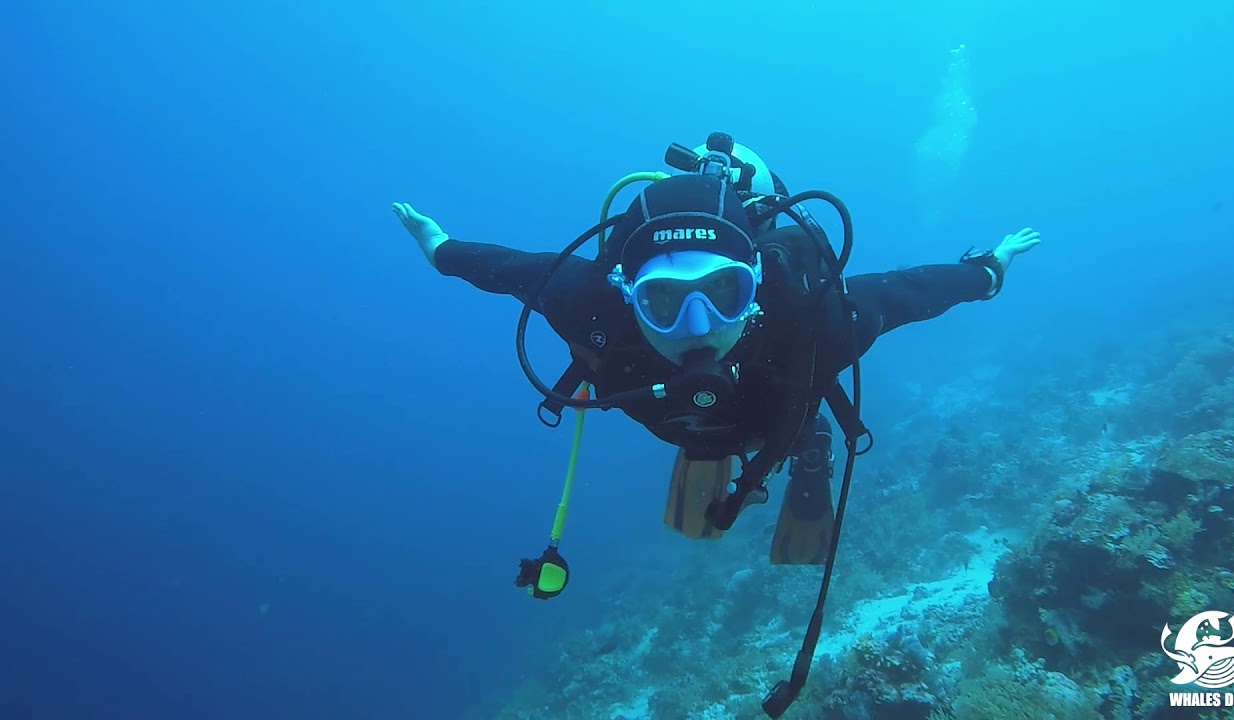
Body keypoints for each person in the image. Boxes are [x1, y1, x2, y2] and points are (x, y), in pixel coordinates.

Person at [392, 133, 1041, 716]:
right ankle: (770, 441)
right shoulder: (592, 306)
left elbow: (914, 290)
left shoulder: (812, 319)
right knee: (746, 426)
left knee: (796, 410)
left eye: (724, 293)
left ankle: (804, 438)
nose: (697, 329)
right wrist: (441, 248)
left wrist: (987, 271)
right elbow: (505, 269)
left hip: (773, 411)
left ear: (756, 282)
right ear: (625, 294)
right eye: (663, 302)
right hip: (695, 420)